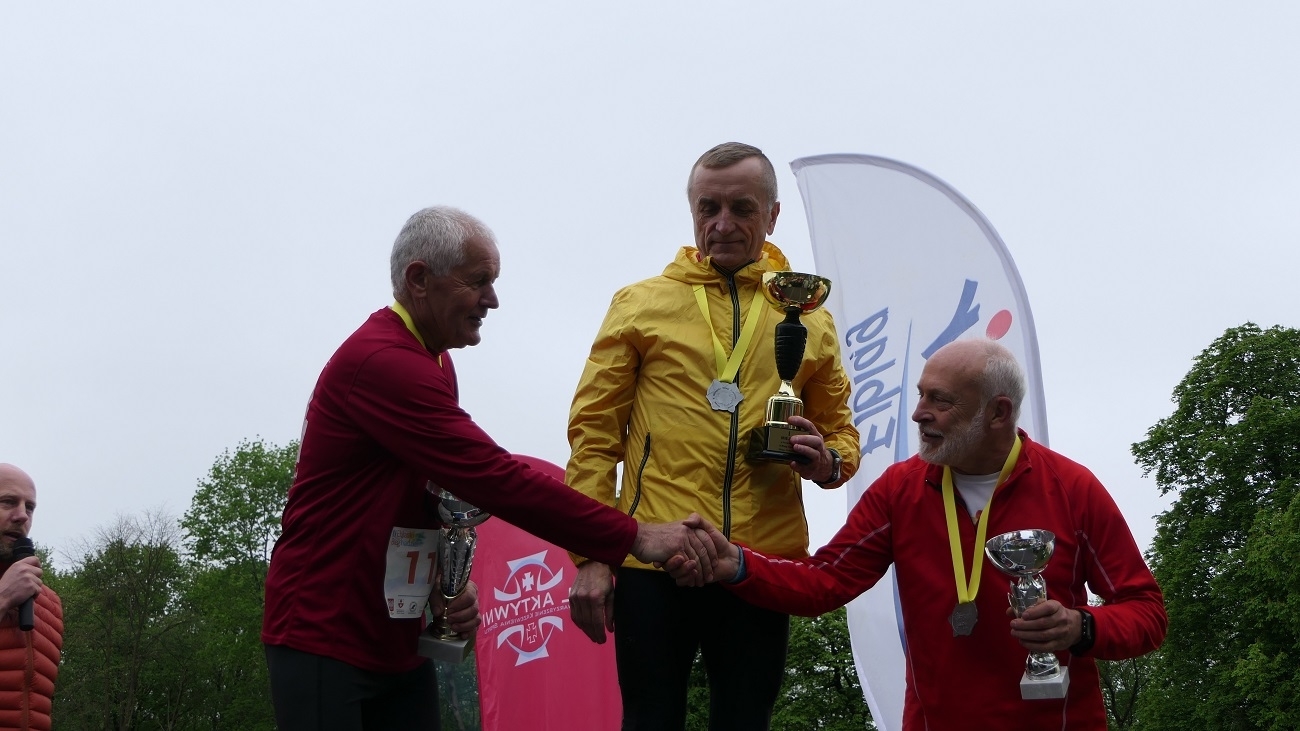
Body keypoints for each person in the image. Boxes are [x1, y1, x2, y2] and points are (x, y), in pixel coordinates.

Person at [261, 206, 717, 731]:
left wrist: (444, 582)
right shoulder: (383, 361)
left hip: (395, 638)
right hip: (323, 633)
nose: (492, 299)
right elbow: (495, 479)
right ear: (419, 279)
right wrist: (635, 536)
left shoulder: (435, 359)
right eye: (478, 281)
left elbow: (428, 494)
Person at [668, 338, 1168, 731]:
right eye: (921, 394)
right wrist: (736, 563)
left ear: (998, 413)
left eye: (940, 401)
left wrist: (1081, 628)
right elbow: (825, 581)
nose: (918, 413)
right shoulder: (900, 489)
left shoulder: (1072, 488)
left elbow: (1147, 612)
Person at [566, 142, 860, 730]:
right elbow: (594, 436)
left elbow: (842, 435)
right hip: (655, 558)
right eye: (709, 208)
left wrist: (826, 461)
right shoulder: (639, 304)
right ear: (692, 210)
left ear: (772, 215)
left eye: (741, 208)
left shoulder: (810, 315)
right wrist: (592, 555)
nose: (722, 224)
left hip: (758, 563)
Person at [0, 464, 63, 731]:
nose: (22, 516)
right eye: (7, 502)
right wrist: (3, 597)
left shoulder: (49, 604)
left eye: (30, 507)